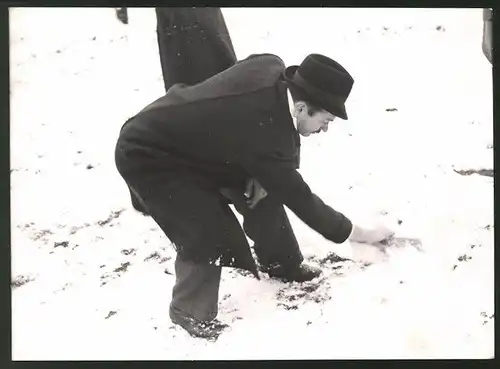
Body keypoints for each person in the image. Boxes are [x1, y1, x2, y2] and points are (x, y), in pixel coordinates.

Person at [114, 53, 395, 340]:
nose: (325, 129)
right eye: (325, 120)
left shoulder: (271, 67)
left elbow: (258, 139)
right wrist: (358, 233)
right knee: (206, 228)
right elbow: (301, 198)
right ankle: (189, 311)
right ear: (300, 108)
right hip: (148, 154)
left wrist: (257, 164)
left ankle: (282, 263)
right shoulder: (263, 134)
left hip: (201, 143)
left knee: (263, 187)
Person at [115, 7, 238, 214]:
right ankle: (219, 174)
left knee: (213, 83)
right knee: (192, 90)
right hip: (179, 19)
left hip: (191, 18)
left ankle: (228, 173)